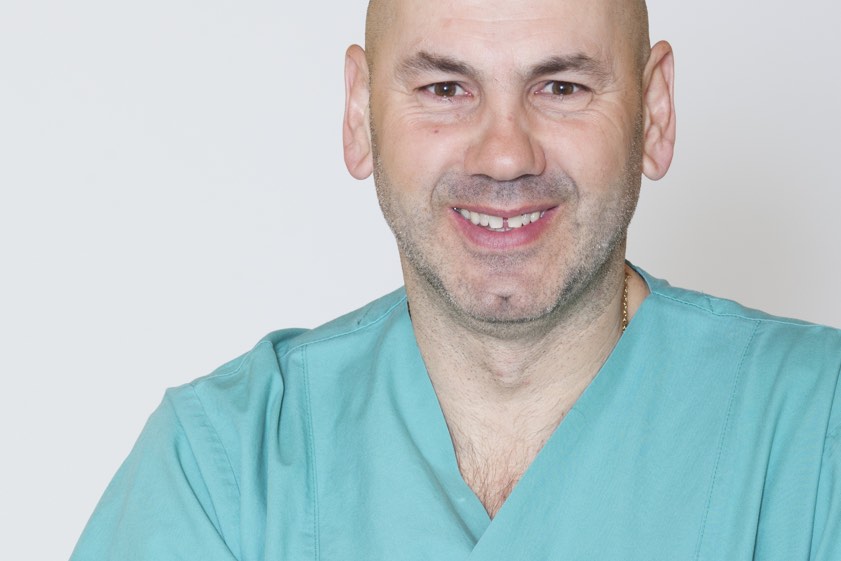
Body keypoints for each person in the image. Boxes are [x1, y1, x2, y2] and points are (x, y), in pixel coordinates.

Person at [70, 0, 840, 559]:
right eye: (444, 88)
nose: (503, 155)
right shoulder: (225, 468)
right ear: (359, 113)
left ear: (655, 111)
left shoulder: (816, 430)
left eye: (561, 87)